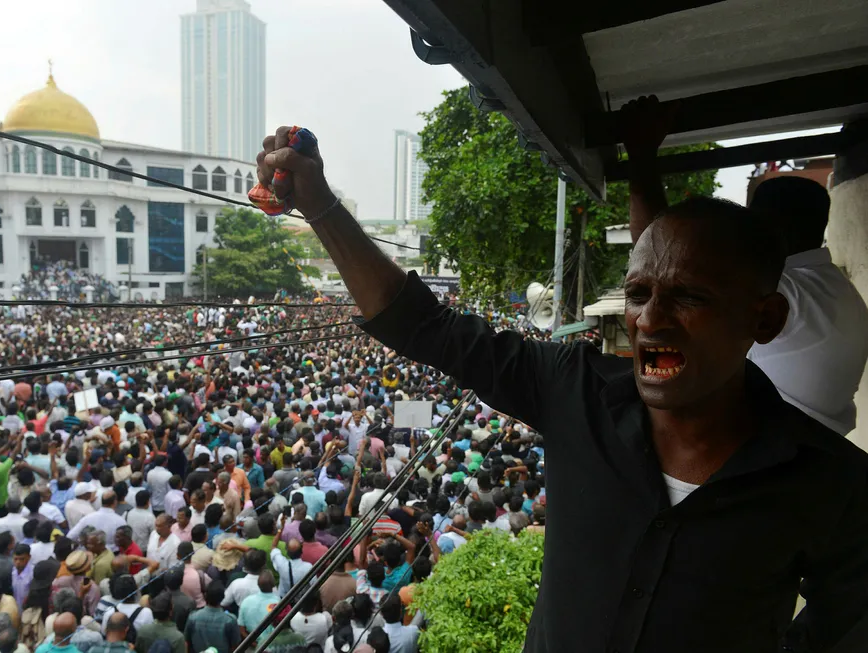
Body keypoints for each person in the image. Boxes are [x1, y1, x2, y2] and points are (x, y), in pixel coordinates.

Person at [257, 128, 868, 652]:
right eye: (638, 294)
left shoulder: (832, 484)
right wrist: (320, 206)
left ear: (764, 322)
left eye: (690, 297)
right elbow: (426, 326)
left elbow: (845, 626)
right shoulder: (576, 390)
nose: (651, 320)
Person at [622, 97, 868, 435]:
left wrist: (641, 155)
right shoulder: (836, 290)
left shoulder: (788, 290)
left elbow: (657, 251)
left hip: (780, 460)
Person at [184, 583, 241, 653]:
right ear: (223, 597)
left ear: (205, 596)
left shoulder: (193, 617)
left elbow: (186, 642)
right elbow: (235, 646)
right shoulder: (230, 620)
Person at [236, 570, 280, 640]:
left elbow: (241, 629)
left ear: (258, 584)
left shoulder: (246, 601)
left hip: (251, 646)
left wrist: (255, 644)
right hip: (272, 645)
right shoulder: (279, 603)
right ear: (273, 584)